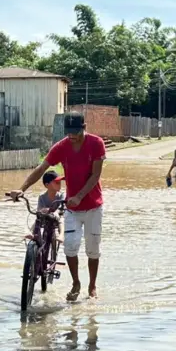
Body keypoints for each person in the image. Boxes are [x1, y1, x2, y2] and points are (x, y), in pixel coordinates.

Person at [10, 112, 106, 302]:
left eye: (75, 132)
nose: (72, 136)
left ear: (84, 127)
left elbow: (95, 175)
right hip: (72, 208)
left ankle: (92, 286)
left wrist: (79, 196)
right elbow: (41, 168)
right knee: (70, 247)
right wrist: (21, 189)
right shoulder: (61, 147)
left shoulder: (96, 143)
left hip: (93, 207)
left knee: (93, 249)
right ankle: (76, 283)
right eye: (68, 132)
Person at [26, 171, 64, 241]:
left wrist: (56, 212)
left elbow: (62, 208)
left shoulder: (61, 195)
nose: (59, 185)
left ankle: (61, 235)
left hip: (57, 217)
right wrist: (43, 210)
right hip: (45, 217)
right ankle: (31, 233)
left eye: (60, 182)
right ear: (47, 185)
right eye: (57, 183)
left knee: (61, 220)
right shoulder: (42, 197)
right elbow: (40, 210)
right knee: (37, 220)